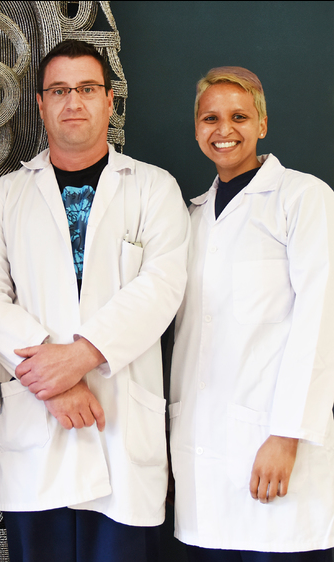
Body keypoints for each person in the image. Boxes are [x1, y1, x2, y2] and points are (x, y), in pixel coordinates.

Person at [0, 39, 190, 562]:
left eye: (87, 89)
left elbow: (162, 286)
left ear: (110, 100)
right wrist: (53, 379)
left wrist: (83, 356)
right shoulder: (5, 196)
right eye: (59, 90)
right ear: (40, 103)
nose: (73, 102)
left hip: (120, 428)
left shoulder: (154, 189)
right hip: (39, 426)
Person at [169, 66, 334, 561]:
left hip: (277, 446)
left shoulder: (304, 198)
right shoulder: (191, 216)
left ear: (262, 124)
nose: (224, 130)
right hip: (202, 456)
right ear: (196, 128)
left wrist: (286, 434)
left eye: (239, 116)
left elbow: (320, 321)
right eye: (210, 118)